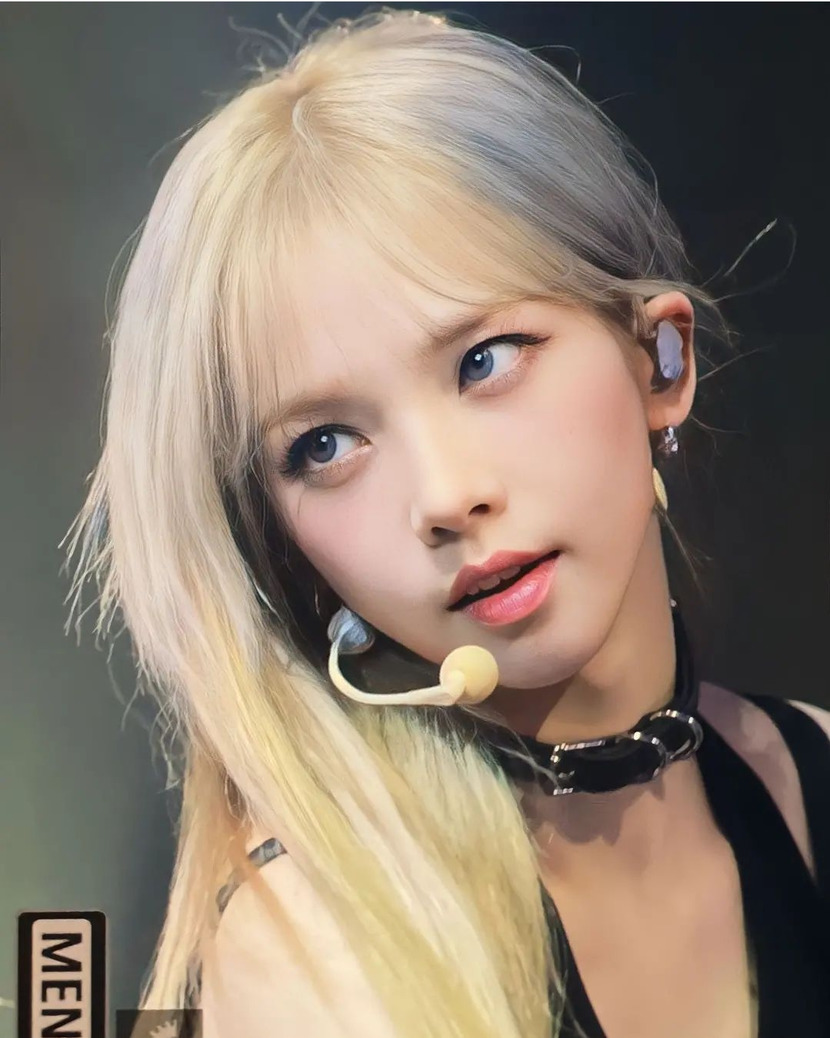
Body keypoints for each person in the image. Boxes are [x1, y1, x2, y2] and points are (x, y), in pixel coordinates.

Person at [63, 8, 830, 1038]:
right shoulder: (316, 964)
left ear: (660, 360)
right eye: (324, 445)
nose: (442, 496)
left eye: (485, 360)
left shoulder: (810, 773)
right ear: (285, 546)